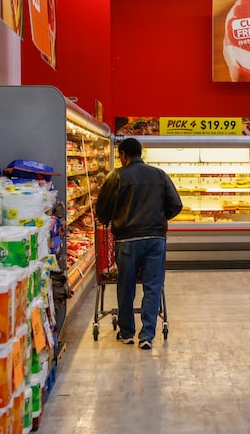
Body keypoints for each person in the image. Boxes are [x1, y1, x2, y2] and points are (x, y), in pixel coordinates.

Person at [95, 137, 183, 350]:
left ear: (124, 155)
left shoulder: (116, 176)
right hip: (155, 238)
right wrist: (159, 219)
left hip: (127, 239)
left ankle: (127, 333)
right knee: (153, 286)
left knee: (126, 286)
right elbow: (176, 204)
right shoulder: (159, 175)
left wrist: (110, 219)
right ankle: (147, 336)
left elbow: (102, 209)